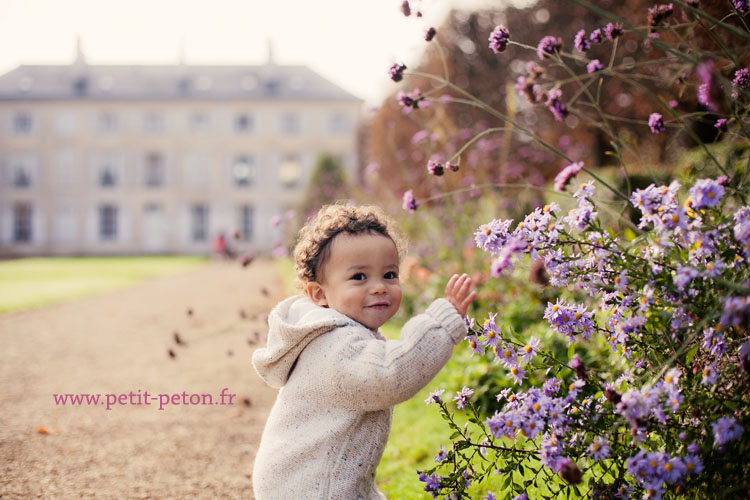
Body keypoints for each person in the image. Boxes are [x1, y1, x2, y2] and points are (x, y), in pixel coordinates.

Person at [251, 204, 476, 500]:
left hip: (306, 481)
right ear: (319, 294)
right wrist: (440, 324)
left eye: (389, 274)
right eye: (359, 277)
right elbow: (391, 375)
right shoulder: (335, 347)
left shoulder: (334, 330)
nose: (379, 287)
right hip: (313, 489)